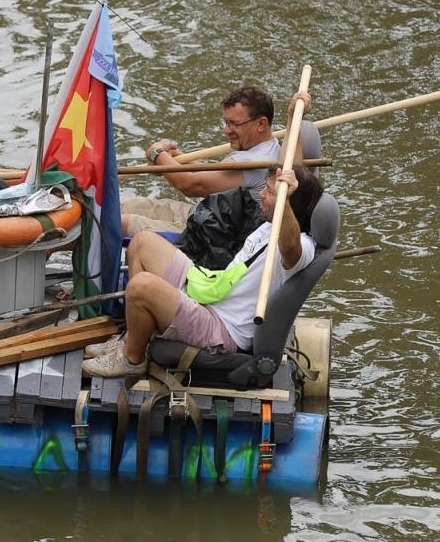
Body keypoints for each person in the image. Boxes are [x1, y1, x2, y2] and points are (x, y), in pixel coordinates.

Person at [83, 153, 322, 379]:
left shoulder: (301, 245)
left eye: (269, 192)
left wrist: (285, 198)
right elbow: (294, 161)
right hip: (212, 291)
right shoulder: (271, 223)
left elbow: (291, 250)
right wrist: (293, 116)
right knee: (142, 242)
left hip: (223, 328)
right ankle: (132, 338)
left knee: (140, 287)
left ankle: (132, 359)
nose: (261, 194)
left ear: (289, 204)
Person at [119, 85, 311, 236]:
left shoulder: (253, 163)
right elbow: (214, 174)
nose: (226, 130)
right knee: (126, 205)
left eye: (234, 124)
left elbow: (191, 185)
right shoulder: (269, 146)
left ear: (261, 124)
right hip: (208, 216)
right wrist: (175, 159)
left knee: (121, 222)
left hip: (216, 237)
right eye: (226, 122)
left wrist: (157, 153)